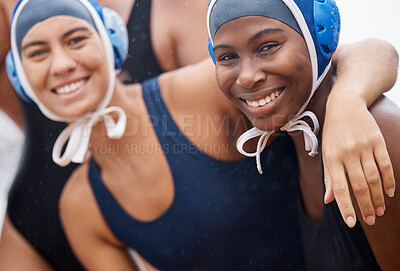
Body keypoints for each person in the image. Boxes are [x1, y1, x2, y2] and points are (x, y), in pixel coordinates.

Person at [0, 0, 398, 270]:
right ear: (20, 77)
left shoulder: (200, 90)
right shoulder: (80, 207)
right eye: (37, 53)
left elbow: (348, 56)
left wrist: (349, 99)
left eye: (76, 40)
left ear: (111, 42)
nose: (62, 65)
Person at [208, 0, 400, 270]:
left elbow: (382, 50)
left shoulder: (374, 135)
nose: (247, 77)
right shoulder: (280, 127)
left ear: (318, 39)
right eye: (227, 57)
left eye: (267, 47)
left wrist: (347, 100)